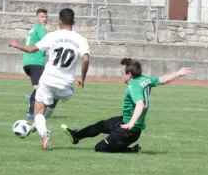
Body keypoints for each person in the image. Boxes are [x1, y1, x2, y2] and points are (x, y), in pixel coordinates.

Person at [61, 59, 192, 153]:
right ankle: (77, 136)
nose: (121, 74)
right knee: (101, 125)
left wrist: (131, 123)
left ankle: (130, 150)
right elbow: (163, 79)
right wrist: (178, 73)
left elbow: (140, 105)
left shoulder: (133, 85)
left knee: (99, 148)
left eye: (122, 72)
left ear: (129, 75)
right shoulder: (144, 79)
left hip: (130, 130)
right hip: (124, 120)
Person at [9, 8, 90, 151]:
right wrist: (82, 79)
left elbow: (32, 49)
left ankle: (44, 134)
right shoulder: (81, 39)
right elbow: (86, 59)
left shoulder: (53, 35)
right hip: (65, 83)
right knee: (51, 105)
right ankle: (35, 127)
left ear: (59, 21)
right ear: (74, 22)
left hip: (49, 79)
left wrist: (16, 45)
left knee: (38, 112)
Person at [15, 8, 48, 120]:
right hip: (36, 62)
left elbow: (25, 45)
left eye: (46, 17)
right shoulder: (40, 28)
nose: (45, 19)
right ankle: (31, 111)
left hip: (27, 62)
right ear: (36, 18)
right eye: (42, 17)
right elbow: (47, 42)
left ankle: (32, 98)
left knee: (39, 85)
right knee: (38, 89)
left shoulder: (32, 30)